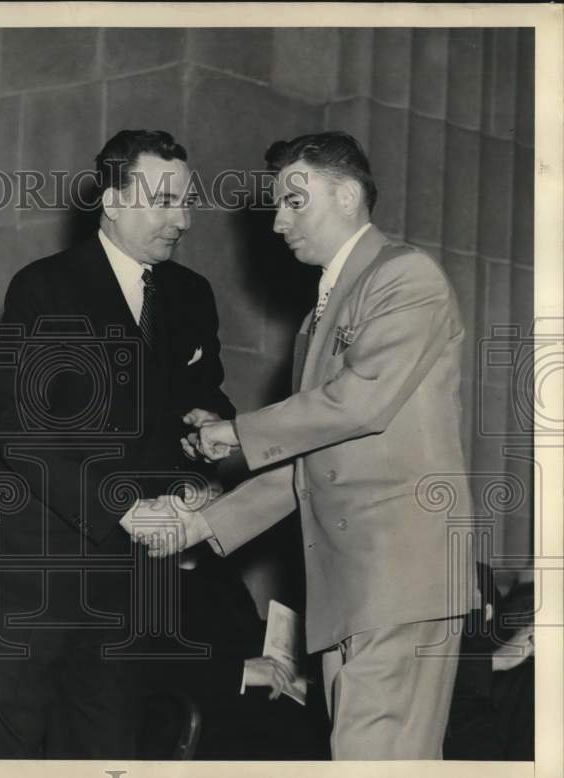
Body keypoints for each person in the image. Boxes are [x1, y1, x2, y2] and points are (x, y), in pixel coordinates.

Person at [122, 131, 476, 759]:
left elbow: (358, 403)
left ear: (346, 195)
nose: (279, 222)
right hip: (349, 592)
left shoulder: (404, 277)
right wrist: (200, 525)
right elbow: (306, 466)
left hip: (401, 579)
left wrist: (234, 431)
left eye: (293, 202)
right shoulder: (318, 318)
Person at [0, 129, 236, 758]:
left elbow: (206, 400)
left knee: (104, 751)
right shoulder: (44, 287)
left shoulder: (192, 296)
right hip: (29, 572)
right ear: (111, 200)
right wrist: (120, 506)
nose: (183, 220)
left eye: (187, 202)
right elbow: (14, 426)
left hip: (130, 580)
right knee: (6, 758)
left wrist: (203, 438)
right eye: (164, 201)